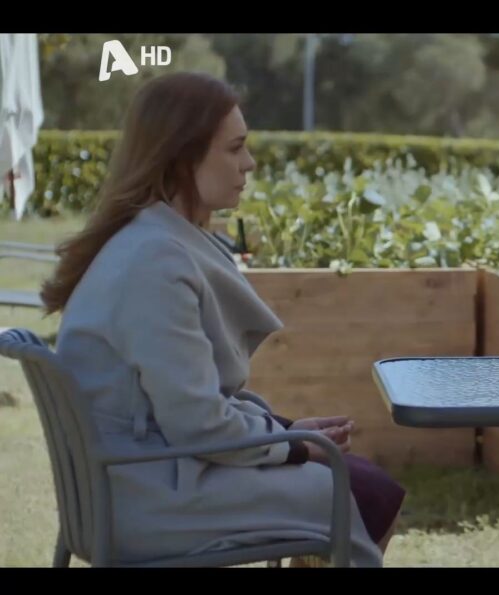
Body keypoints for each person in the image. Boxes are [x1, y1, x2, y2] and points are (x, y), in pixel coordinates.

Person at [42, 72, 404, 567]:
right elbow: (200, 426)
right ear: (182, 157)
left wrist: (288, 431)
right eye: (235, 148)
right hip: (148, 498)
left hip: (135, 480)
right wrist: (296, 447)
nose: (248, 163)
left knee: (367, 486)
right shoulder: (155, 263)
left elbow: (187, 407)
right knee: (362, 493)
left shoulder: (144, 240)